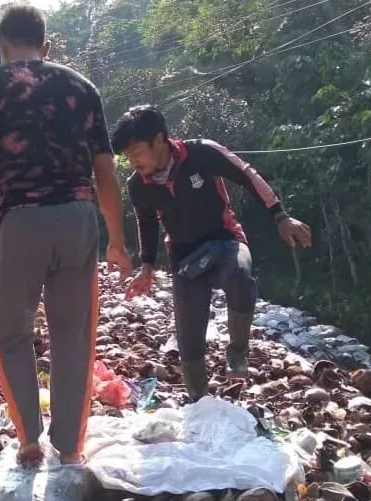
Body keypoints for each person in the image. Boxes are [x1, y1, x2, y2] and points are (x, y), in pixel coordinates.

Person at [0, 3, 132, 466]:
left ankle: (29, 439)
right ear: (45, 45)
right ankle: (70, 447)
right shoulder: (82, 87)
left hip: (21, 221)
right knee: (73, 335)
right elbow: (106, 170)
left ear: (2, 46)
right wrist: (117, 239)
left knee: (12, 334)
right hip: (78, 217)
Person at [110, 105, 312, 400]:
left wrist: (280, 216)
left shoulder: (202, 153)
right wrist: (147, 266)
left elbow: (246, 175)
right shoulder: (138, 186)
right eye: (128, 157)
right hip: (184, 255)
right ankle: (199, 403)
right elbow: (147, 222)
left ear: (159, 139)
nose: (133, 162)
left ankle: (238, 352)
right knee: (189, 342)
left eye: (137, 151)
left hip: (225, 240)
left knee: (240, 276)